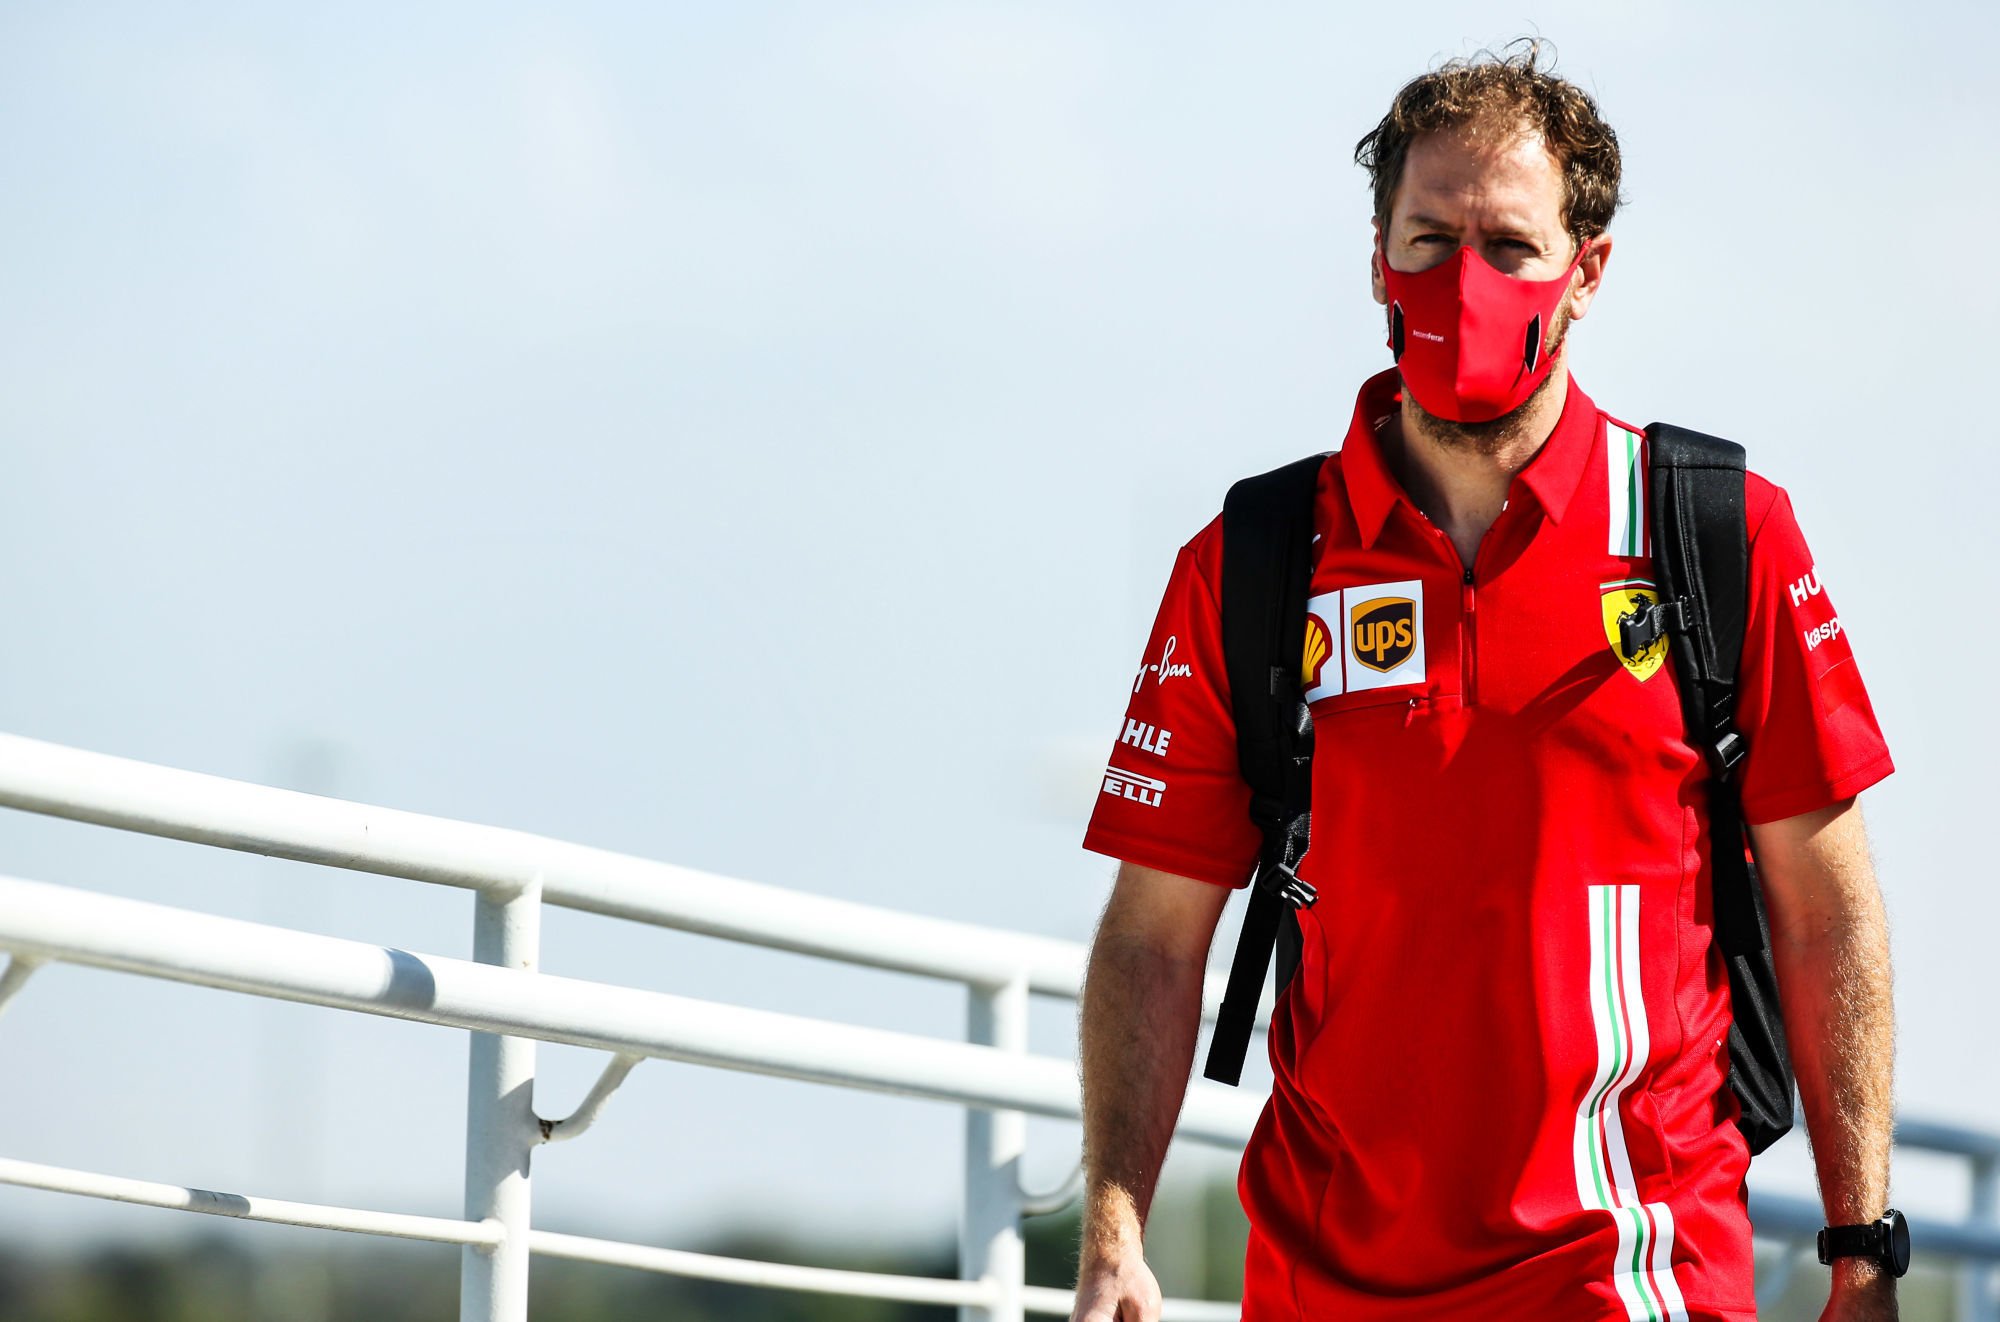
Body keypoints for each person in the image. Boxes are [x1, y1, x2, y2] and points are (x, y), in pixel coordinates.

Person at [1069, 42, 1898, 1322]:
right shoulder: (1252, 560)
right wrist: (1113, 1232)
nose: (1465, 281)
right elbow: (1151, 935)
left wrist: (1860, 1246)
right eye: (1428, 239)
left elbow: (1824, 909)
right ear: (1375, 259)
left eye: (1509, 245)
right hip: (1325, 1284)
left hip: (1634, 1273)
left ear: (1587, 270)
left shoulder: (1717, 533)